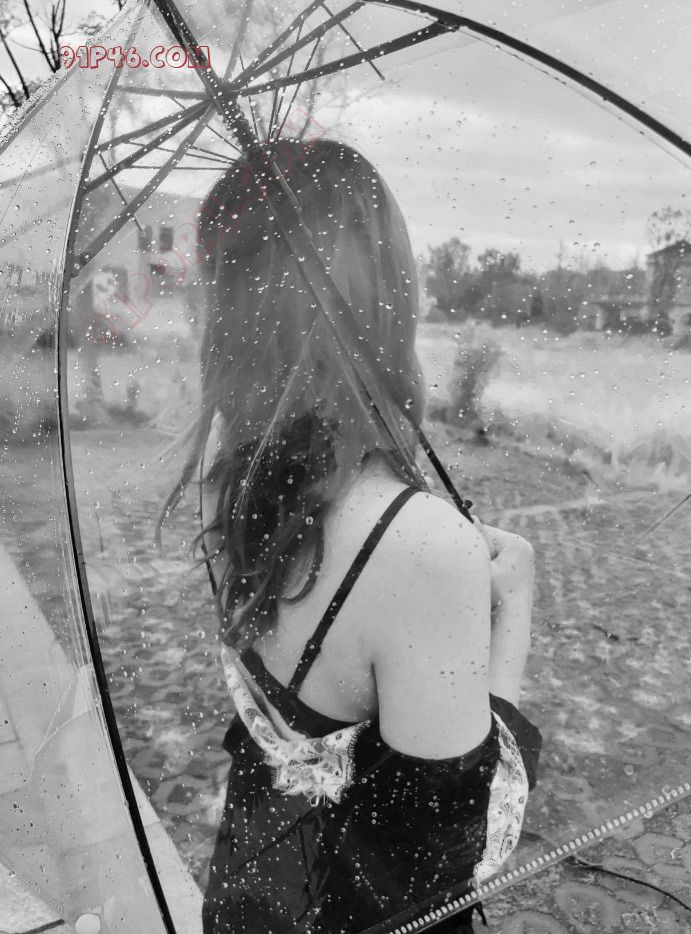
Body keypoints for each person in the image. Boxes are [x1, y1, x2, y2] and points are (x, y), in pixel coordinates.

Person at [161, 139, 541, 933]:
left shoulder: (227, 482)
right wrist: (513, 612)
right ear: (385, 302)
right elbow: (453, 855)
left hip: (255, 887)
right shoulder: (422, 547)